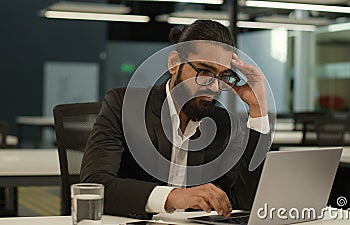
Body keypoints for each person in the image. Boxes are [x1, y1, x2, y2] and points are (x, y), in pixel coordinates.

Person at [80, 20, 271, 220]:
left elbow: (244, 202)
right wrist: (174, 197)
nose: (214, 87)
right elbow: (96, 185)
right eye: (204, 72)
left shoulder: (224, 125)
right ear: (174, 63)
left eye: (223, 77)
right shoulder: (123, 105)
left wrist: (258, 108)